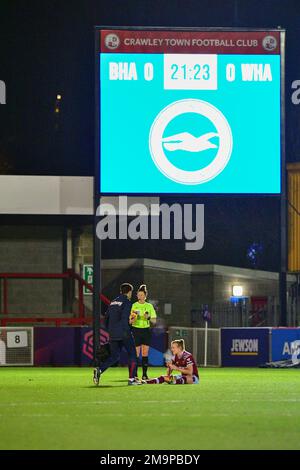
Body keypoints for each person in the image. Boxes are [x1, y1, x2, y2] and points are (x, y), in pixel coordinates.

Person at [93, 283, 141, 386]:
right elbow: (124, 318)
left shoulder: (113, 302)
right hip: (124, 332)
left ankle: (99, 370)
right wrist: (130, 325)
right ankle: (132, 380)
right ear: (129, 292)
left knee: (115, 356)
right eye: (131, 292)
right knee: (133, 354)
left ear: (121, 291)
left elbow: (106, 319)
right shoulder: (127, 302)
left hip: (113, 333)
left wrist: (110, 331)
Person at [130, 284, 157, 380]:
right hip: (136, 330)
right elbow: (130, 321)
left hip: (146, 331)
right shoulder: (134, 305)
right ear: (137, 295)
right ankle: (135, 375)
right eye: (139, 294)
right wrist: (133, 318)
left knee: (145, 353)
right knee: (136, 353)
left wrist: (148, 317)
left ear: (145, 296)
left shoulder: (149, 306)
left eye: (142, 295)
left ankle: (145, 374)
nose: (140, 296)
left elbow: (154, 321)